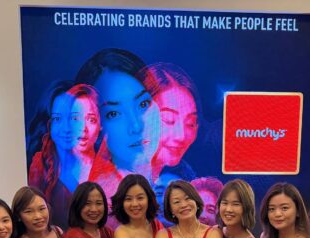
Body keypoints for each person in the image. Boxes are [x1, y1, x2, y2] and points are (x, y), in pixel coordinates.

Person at [76, 48, 160, 195]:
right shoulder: (99, 199)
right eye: (114, 114)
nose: (136, 126)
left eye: (143, 104)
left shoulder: (175, 180)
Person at [28, 83, 101, 228]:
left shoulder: (105, 165)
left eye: (73, 119)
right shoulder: (41, 164)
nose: (66, 128)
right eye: (57, 119)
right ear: (48, 123)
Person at [140, 62, 200, 182]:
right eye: (169, 119)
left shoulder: (185, 181)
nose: (181, 136)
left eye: (190, 123)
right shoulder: (109, 182)